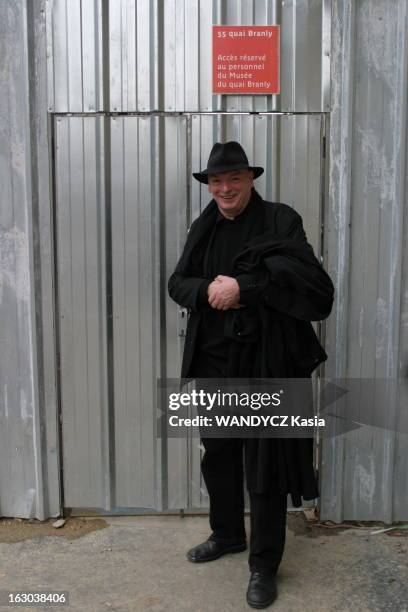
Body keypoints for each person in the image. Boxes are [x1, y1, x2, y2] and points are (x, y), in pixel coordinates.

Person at [168, 141, 334, 609]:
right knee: (218, 455)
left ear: (250, 180)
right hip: (214, 364)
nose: (225, 188)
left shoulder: (282, 221)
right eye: (216, 181)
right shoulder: (205, 227)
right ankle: (226, 535)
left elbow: (312, 286)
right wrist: (209, 291)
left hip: (267, 365)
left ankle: (264, 564)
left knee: (266, 468)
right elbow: (177, 283)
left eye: (233, 179)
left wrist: (245, 287)